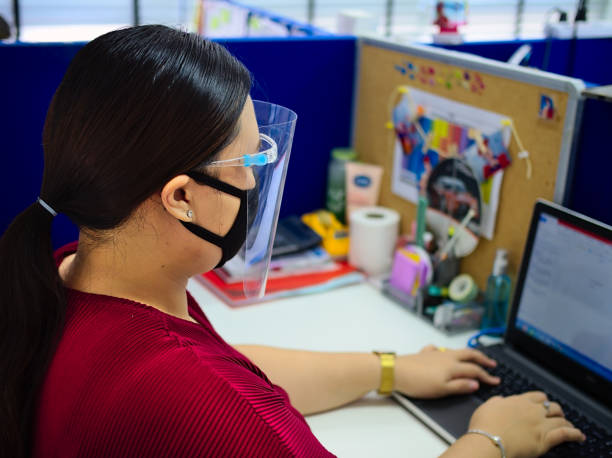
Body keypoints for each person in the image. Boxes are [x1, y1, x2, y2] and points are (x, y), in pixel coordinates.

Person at [0, 25, 584, 458]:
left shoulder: (75, 275)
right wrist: (492, 439)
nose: (255, 180)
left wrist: (392, 370)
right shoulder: (196, 401)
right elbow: (216, 396)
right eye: (248, 160)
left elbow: (235, 368)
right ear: (180, 196)